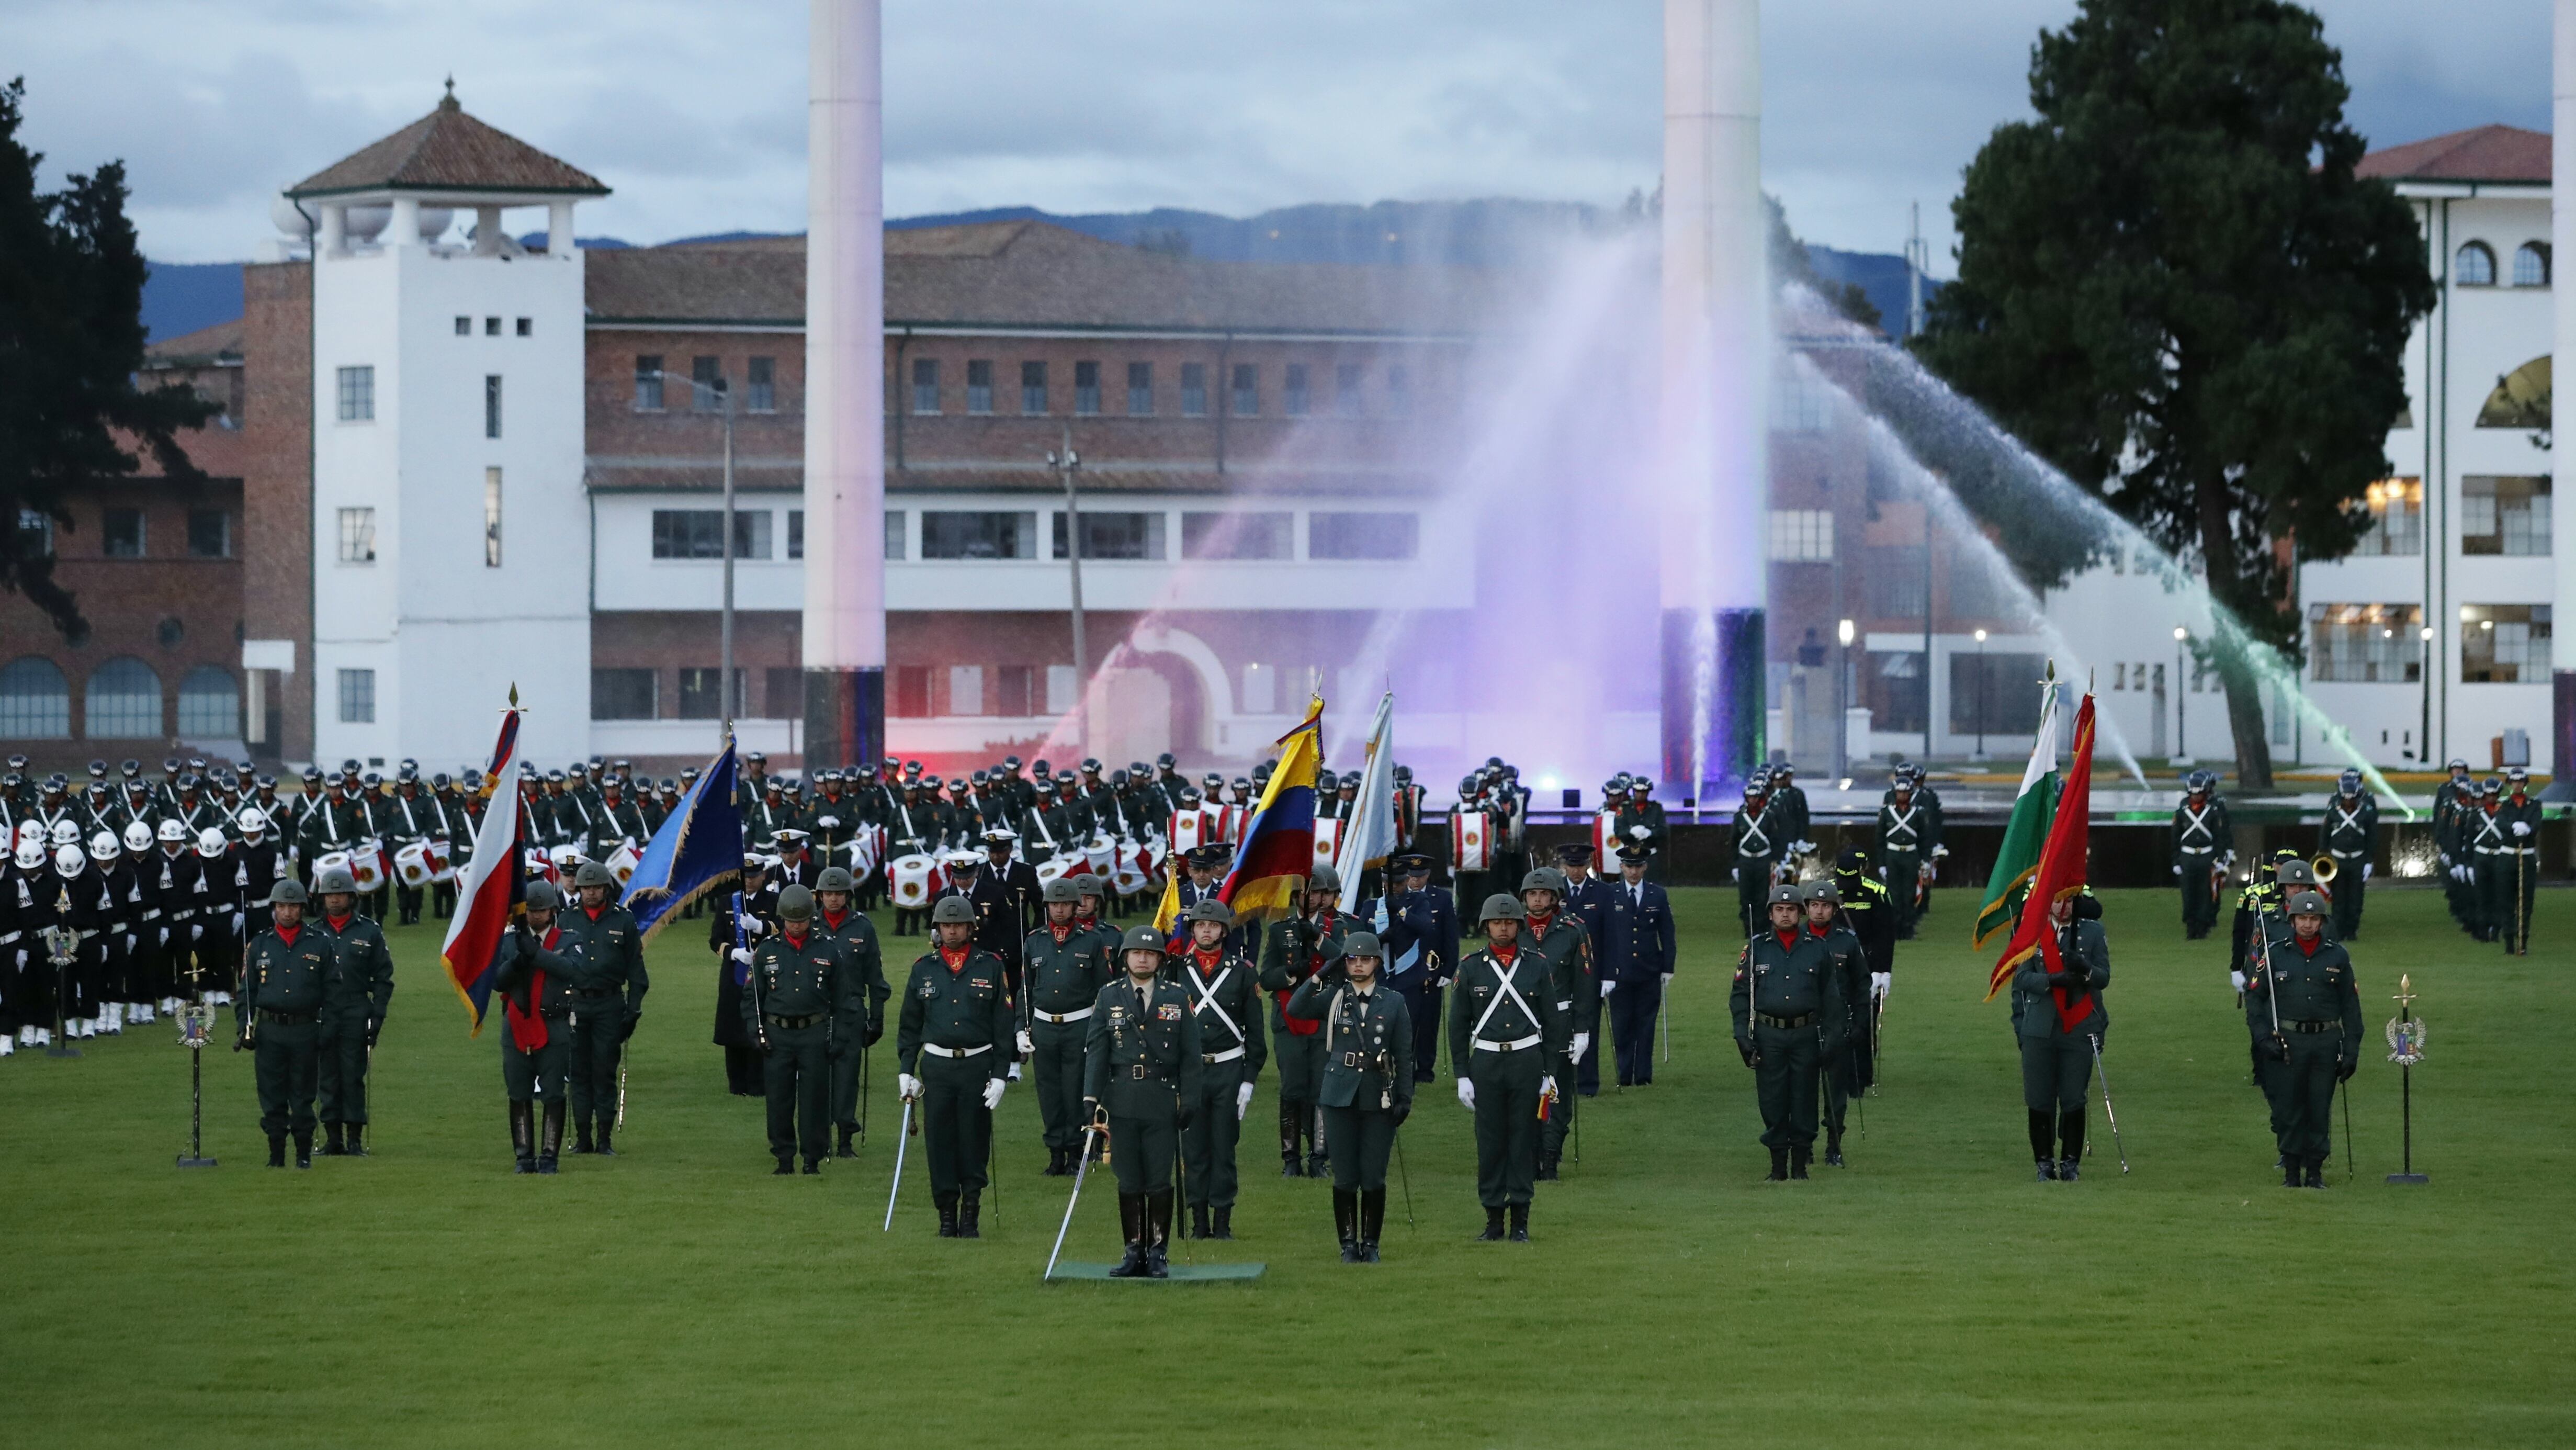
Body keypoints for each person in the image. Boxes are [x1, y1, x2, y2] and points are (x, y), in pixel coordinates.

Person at [1287, 928, 1414, 1263]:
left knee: (1372, 1174)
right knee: (1344, 1175)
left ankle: (1370, 1244)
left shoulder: (1394, 1001)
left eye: (1366, 960)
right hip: (1338, 1093)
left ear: (1377, 963)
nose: (1358, 966)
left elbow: (1404, 1055)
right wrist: (1318, 975)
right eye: (1352, 959)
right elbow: (1297, 1008)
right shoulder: (1335, 996)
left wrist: (1405, 1097)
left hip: (1378, 1094)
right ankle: (1347, 1244)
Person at [1083, 926, 1203, 1277]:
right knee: (1129, 1178)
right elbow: (1097, 1052)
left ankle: (1158, 1253)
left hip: (1161, 1098)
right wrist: (1091, 1098)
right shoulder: (1108, 996)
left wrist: (1190, 1099)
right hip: (1121, 1099)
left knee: (1158, 1178)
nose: (1143, 957)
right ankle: (1133, 1249)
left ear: (1161, 960)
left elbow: (1191, 1055)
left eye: (1150, 953)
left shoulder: (1177, 997)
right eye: (1137, 952)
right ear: (1126, 958)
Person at [1448, 894, 1565, 1241]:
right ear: (1487, 926)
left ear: (1519, 925)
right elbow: (1457, 1025)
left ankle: (1522, 1221)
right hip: (1485, 1062)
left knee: (1522, 1140)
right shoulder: (1470, 967)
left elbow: (1552, 1021)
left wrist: (1550, 1073)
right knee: (1490, 1142)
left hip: (1526, 1061)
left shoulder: (1536, 964)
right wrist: (1461, 1075)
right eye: (1497, 922)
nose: (1503, 927)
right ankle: (1493, 1218)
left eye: (1510, 922)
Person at [896, 896, 1014, 1237]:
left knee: (974, 1140)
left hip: (977, 1064)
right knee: (940, 1142)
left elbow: (1002, 1025)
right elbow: (910, 1024)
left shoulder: (990, 965)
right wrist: (907, 1068)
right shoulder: (924, 968)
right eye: (945, 925)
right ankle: (946, 1214)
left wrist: (999, 1074)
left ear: (969, 928)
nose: (951, 930)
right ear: (938, 928)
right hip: (938, 1067)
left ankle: (971, 1211)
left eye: (957, 924)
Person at [742, 885, 866, 1175]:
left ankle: (813, 1157)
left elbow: (843, 1000)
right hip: (777, 1033)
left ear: (811, 919)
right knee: (778, 1099)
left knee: (815, 1099)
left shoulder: (828, 949)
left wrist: (839, 1037)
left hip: (814, 1032)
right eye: (790, 921)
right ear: (782, 919)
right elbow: (752, 998)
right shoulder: (767, 951)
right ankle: (784, 1157)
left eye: (801, 921)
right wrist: (755, 1031)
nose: (796, 926)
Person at [2243, 890, 2362, 1188]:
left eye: (2314, 918)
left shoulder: (2338, 956)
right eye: (2302, 918)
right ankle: (2292, 1171)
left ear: (2322, 922)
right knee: (2289, 1108)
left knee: (2319, 1107)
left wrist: (2351, 1051)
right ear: (2292, 920)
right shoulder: (2275, 954)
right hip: (2288, 1043)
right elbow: (2255, 1000)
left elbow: (2351, 1007)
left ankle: (2316, 1172)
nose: (2308, 924)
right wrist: (2262, 1038)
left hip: (2325, 1042)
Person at [1729, 884, 1847, 1182]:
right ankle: (1777, 1165)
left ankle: (1800, 1165)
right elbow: (1741, 994)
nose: (1785, 915)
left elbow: (1832, 998)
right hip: (1769, 1036)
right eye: (1779, 910)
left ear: (1800, 913)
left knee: (1804, 1099)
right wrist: (1742, 1035)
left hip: (1806, 1034)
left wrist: (1834, 1038)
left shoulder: (1818, 949)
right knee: (1772, 1100)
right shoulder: (1756, 948)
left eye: (1791, 910)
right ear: (1770, 914)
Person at [1174, 898, 1266, 1239]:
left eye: (1213, 925)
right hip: (1191, 1072)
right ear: (1193, 929)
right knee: (1194, 1148)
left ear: (1224, 931)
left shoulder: (1242, 971)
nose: (1207, 930)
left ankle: (1223, 1219)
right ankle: (1198, 1220)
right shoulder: (1177, 968)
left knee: (1224, 1147)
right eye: (1201, 925)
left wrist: (1249, 1080)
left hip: (1229, 1069)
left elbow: (1256, 1033)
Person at [491, 880, 595, 1174]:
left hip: (554, 1025)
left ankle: (549, 1156)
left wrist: (536, 955)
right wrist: (518, 960)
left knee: (552, 1092)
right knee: (518, 1092)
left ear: (553, 911)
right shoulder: (510, 941)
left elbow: (573, 970)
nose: (536, 916)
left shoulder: (567, 940)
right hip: (516, 1025)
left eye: (541, 911)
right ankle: (524, 1156)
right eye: (531, 911)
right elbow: (497, 981)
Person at [1258, 864, 1350, 1178]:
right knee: (1293, 1088)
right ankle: (1291, 1158)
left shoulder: (1339, 928)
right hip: (1288, 1018)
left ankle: (1319, 1157)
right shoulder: (1279, 930)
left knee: (1322, 1089)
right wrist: (1290, 973)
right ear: (1297, 895)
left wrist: (1320, 941)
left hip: (1326, 1017)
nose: (1315, 899)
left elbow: (1349, 965)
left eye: (1322, 893)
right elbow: (1266, 977)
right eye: (1309, 892)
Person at [1019, 878, 1115, 1177]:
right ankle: (1055, 1153)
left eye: (1065, 905)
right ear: (1047, 907)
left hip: (1080, 1026)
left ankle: (1077, 1152)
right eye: (1054, 905)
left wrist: (1102, 1029)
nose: (1059, 910)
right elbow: (1026, 989)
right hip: (1045, 1027)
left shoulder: (1092, 940)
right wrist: (1022, 1028)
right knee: (1049, 1093)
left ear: (1075, 907)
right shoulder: (1034, 940)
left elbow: (1104, 989)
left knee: (1076, 1091)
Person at [2011, 891, 2109, 1181]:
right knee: (2039, 1098)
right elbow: (2021, 977)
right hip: (2040, 1027)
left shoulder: (2092, 931)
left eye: (2068, 901)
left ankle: (2070, 1163)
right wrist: (2052, 980)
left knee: (2073, 1098)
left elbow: (2104, 977)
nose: (2062, 907)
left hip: (2078, 1026)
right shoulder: (2032, 929)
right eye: (2057, 901)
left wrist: (2086, 970)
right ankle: (2043, 1163)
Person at [557, 860, 648, 1156]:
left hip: (610, 1004)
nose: (591, 893)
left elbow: (636, 969)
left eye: (597, 888)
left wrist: (633, 1010)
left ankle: (605, 1139)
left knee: (605, 1071)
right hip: (575, 1004)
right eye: (586, 888)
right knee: (578, 1073)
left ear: (607, 889)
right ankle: (583, 1138)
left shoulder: (624, 920)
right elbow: (554, 965)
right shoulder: (566, 920)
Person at [238, 879, 330, 1168]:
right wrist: (245, 1028)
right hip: (270, 1032)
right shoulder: (259, 945)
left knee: (303, 1095)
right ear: (274, 909)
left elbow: (333, 992)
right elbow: (247, 992)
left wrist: (327, 1029)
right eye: (281, 906)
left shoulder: (319, 943)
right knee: (272, 1094)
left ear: (302, 908)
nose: (287, 912)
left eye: (292, 906)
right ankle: (276, 1154)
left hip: (305, 1029)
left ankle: (303, 1153)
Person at [309, 865, 394, 1158]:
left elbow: (384, 978)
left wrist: (377, 1016)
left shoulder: (369, 931)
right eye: (329, 895)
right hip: (323, 1011)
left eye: (340, 894)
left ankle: (355, 1138)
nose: (334, 900)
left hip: (356, 1008)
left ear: (351, 897)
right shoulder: (312, 933)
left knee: (353, 1075)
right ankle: (333, 1138)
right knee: (327, 1076)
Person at [1516, 868, 1594, 1181]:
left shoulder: (1574, 931)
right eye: (1532, 894)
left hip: (1560, 1022)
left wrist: (1582, 1029)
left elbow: (1584, 983)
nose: (1537, 900)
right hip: (1520, 1022)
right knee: (1524, 1093)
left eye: (1543, 894)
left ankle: (1550, 1158)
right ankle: (1529, 1155)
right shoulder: (1513, 929)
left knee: (1556, 1093)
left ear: (1554, 898)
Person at [814, 866, 889, 1157]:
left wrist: (877, 1017)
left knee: (847, 1079)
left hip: (851, 1012)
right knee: (816, 1078)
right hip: (817, 1013)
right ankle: (817, 1136)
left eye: (839, 894)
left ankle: (845, 1138)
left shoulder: (863, 926)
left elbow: (875, 976)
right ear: (820, 895)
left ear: (848, 895)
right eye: (828, 893)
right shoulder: (810, 923)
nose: (833, 899)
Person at [1802, 880, 1872, 1168]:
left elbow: (1861, 985)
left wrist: (1859, 1024)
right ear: (1806, 908)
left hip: (1837, 1025)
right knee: (1802, 1090)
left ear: (1834, 909)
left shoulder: (1847, 941)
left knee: (1836, 1092)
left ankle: (1834, 1145)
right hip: (1804, 1024)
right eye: (1815, 906)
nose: (1820, 911)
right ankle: (1803, 1144)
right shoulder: (1796, 938)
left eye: (1826, 906)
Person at [1598, 845, 1675, 1088]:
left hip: (1649, 971)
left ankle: (1643, 1075)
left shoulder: (1658, 895)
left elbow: (1667, 933)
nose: (1633, 872)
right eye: (1629, 866)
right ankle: (1624, 1074)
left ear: (1645, 867)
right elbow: (1603, 935)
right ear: (1621, 867)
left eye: (1638, 866)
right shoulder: (1610, 894)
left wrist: (1668, 967)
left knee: (1646, 1025)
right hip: (1619, 972)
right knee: (1622, 1026)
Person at [712, 853, 777, 1097]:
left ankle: (757, 1083)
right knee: (733, 1027)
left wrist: (760, 926)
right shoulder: (727, 901)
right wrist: (733, 953)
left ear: (763, 876)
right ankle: (736, 1084)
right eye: (746, 877)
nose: (749, 881)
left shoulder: (772, 900)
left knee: (759, 1026)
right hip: (734, 973)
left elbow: (781, 925)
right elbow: (715, 939)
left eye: (754, 876)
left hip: (763, 973)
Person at [2482, 770, 2543, 955]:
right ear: (2510, 784)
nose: (2517, 785)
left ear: (2525, 783)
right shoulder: (2504, 806)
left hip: (2526, 855)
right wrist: (2512, 827)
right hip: (2508, 857)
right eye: (2514, 782)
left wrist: (2528, 828)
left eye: (2520, 782)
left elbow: (2536, 822)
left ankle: (2523, 940)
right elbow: (2501, 822)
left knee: (2525, 901)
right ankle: (2509, 940)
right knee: (2506, 900)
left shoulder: (2534, 804)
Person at [2316, 768, 2377, 941]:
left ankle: (2352, 931)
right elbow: (2325, 834)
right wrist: (2323, 856)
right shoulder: (2333, 811)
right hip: (2337, 859)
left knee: (2356, 898)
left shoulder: (2367, 812)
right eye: (2346, 798)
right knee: (2339, 898)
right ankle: (2338, 931)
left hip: (2358, 859)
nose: (2348, 801)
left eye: (2352, 798)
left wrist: (2369, 861)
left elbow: (2372, 837)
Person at [2170, 770, 2229, 940]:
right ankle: (2190, 925)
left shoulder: (2212, 811)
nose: (2196, 797)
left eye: (2199, 794)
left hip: (2206, 857)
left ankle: (2202, 927)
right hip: (2187, 857)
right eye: (2193, 794)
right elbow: (2175, 838)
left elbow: (2219, 837)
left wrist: (2219, 859)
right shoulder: (2182, 812)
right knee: (2188, 893)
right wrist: (2176, 861)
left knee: (2205, 893)